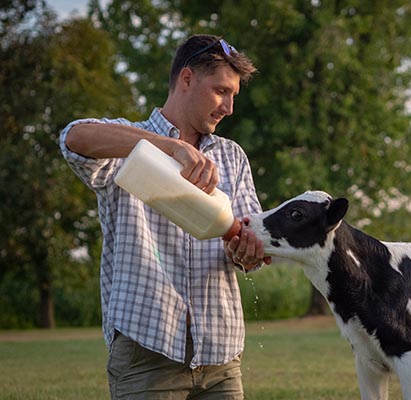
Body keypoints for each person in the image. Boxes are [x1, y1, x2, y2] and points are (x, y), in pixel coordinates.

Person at [60, 34, 271, 399]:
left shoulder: (232, 157)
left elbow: (249, 241)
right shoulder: (127, 143)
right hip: (147, 352)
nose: (229, 107)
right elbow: (73, 138)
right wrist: (169, 147)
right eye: (222, 91)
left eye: (234, 95)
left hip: (221, 355)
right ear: (187, 79)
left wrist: (248, 253)